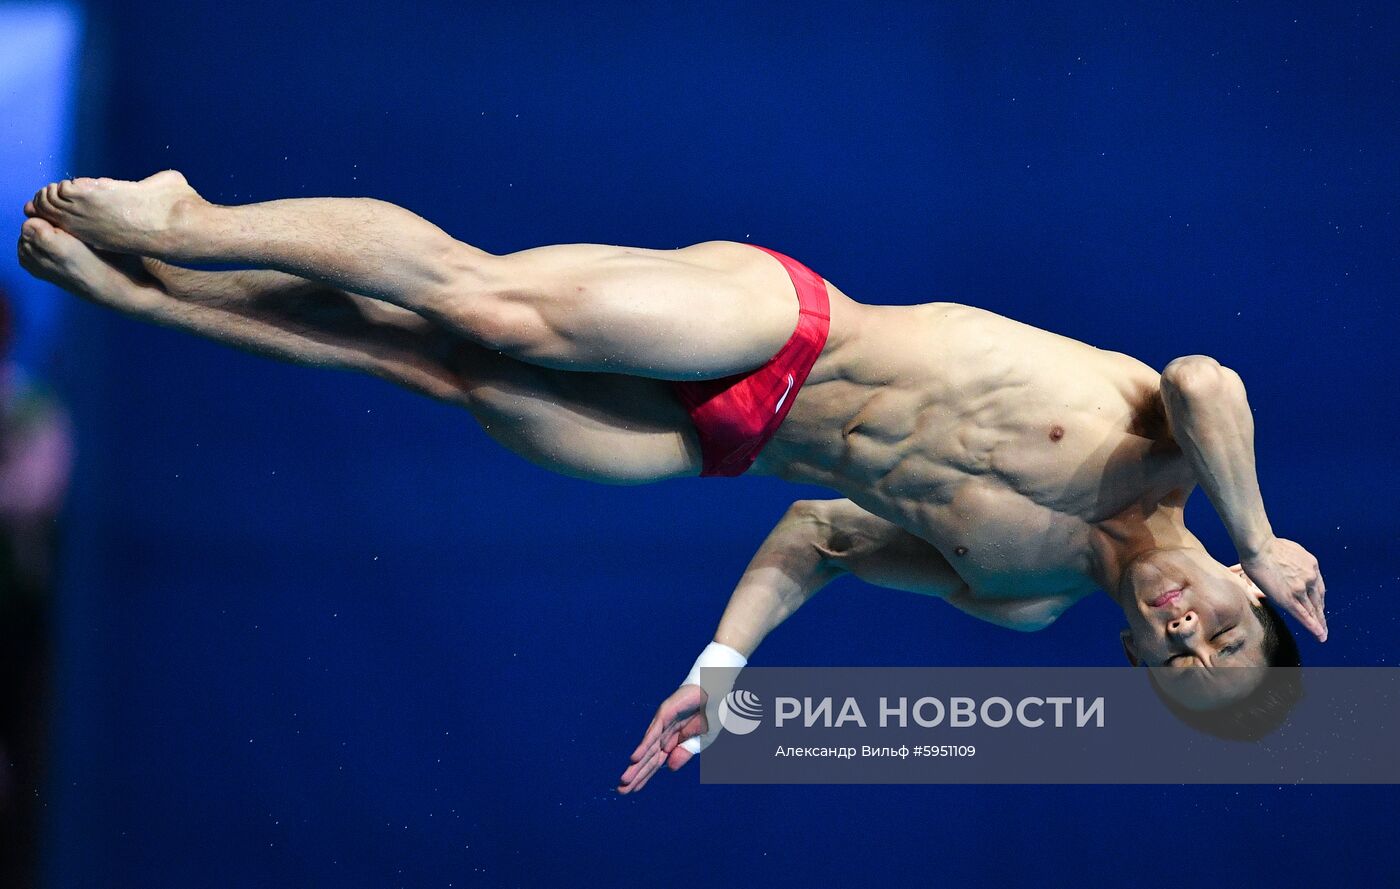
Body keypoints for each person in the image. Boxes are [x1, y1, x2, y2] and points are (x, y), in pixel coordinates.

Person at [17, 172, 1326, 794]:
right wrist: (1260, 529)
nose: (1181, 627)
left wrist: (722, 675)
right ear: (1251, 590)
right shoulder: (1174, 449)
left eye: (1174, 660)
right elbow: (1207, 375)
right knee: (490, 307)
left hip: (729, 447)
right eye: (1218, 626)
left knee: (433, 372)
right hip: (780, 325)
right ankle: (183, 223)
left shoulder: (1025, 597)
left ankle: (154, 297)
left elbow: (819, 532)